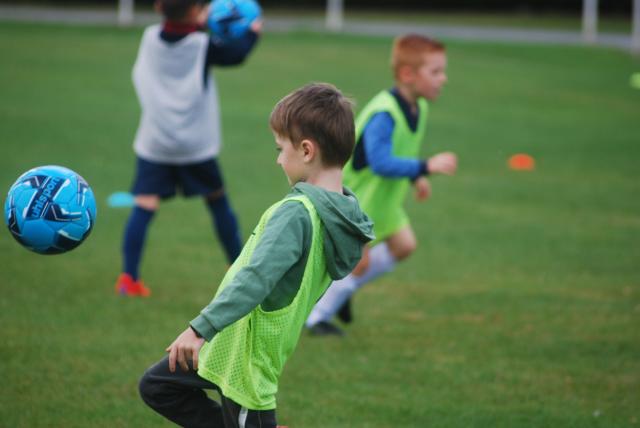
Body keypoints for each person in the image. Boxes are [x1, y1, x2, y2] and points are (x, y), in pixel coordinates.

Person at [138, 83, 374, 427]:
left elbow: (256, 278)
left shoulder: (298, 212)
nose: (278, 159)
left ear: (307, 150)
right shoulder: (341, 212)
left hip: (248, 359)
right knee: (160, 387)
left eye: (281, 148)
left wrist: (199, 329)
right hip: (229, 346)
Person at [305, 34, 458, 335]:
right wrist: (426, 165)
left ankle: (342, 291)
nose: (444, 79)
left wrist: (416, 177)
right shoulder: (386, 113)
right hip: (360, 202)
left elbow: (400, 152)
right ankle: (318, 317)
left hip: (384, 201)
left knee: (404, 245)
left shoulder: (419, 107)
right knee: (359, 264)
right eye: (436, 72)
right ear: (407, 74)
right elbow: (380, 161)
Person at [115, 0, 261, 297]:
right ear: (196, 11)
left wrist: (199, 20)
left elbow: (178, 29)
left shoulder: (149, 38)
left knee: (144, 204)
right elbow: (236, 54)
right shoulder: (202, 45)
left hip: (156, 140)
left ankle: (129, 279)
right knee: (217, 200)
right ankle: (237, 269)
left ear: (158, 7)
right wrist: (253, 32)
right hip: (194, 144)